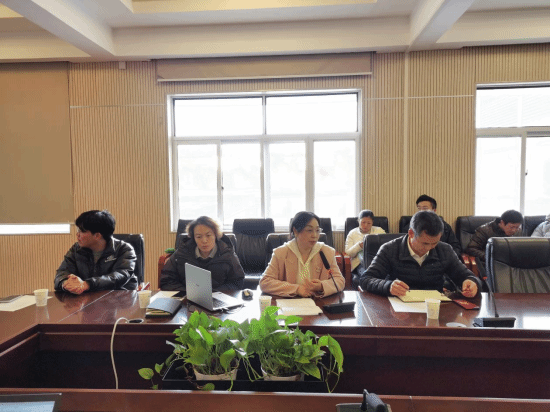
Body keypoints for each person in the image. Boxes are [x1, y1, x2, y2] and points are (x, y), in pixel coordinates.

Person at [360, 211, 481, 298]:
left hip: (434, 308)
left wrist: (472, 283)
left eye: (434, 243)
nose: (429, 248)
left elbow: (468, 276)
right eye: (425, 243)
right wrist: (388, 286)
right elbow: (366, 279)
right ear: (411, 233)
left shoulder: (444, 249)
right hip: (399, 309)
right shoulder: (390, 249)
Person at [261, 211, 345, 298]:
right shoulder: (281, 253)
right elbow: (265, 282)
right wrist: (296, 289)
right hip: (289, 302)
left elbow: (340, 281)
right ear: (295, 231)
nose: (315, 235)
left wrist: (321, 286)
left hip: (317, 302)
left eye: (317, 230)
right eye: (309, 230)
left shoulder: (326, 252)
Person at [55, 210, 138, 294]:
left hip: (120, 298)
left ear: (97, 235)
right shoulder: (76, 250)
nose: (77, 234)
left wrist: (87, 284)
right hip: (87, 298)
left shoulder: (124, 249)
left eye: (82, 231)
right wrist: (66, 283)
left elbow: (119, 276)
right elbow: (61, 273)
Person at [160, 216, 245, 292]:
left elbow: (237, 282)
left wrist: (213, 293)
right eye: (198, 237)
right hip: (187, 298)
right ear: (193, 238)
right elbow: (166, 280)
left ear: (216, 235)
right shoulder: (182, 252)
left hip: (218, 298)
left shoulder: (227, 253)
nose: (204, 241)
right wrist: (187, 292)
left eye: (208, 235)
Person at [411, 195, 462, 259]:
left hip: (440, 260)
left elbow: (455, 247)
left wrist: (447, 259)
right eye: (419, 208)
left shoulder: (445, 227)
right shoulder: (411, 227)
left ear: (434, 211)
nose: (421, 211)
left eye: (425, 208)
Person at [345, 210, 386, 288]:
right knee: (368, 276)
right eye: (363, 222)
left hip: (378, 262)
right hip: (360, 263)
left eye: (369, 223)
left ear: (372, 223)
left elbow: (386, 247)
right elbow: (349, 253)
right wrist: (359, 246)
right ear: (358, 221)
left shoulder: (379, 231)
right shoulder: (352, 233)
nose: (365, 225)